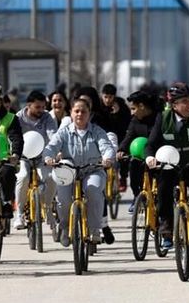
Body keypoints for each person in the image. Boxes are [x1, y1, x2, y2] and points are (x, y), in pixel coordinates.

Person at [145, 82, 189, 266]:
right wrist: (150, 157)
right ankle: (167, 224)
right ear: (173, 105)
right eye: (184, 101)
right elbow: (151, 143)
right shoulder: (163, 117)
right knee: (163, 189)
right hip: (172, 167)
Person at [44, 98, 115, 248]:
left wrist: (107, 159)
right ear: (71, 113)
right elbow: (51, 147)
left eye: (84, 111)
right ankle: (64, 226)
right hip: (68, 170)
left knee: (93, 190)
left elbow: (106, 147)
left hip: (93, 169)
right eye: (76, 111)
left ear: (89, 114)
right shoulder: (64, 132)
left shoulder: (97, 131)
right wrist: (49, 157)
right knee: (63, 198)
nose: (80, 114)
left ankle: (95, 229)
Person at [13, 89, 58, 233]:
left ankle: (48, 208)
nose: (41, 110)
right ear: (29, 105)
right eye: (37, 107)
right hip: (24, 156)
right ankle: (19, 214)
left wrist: (57, 151)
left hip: (42, 156)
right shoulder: (18, 117)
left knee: (51, 178)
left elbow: (53, 135)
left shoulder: (47, 117)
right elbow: (13, 137)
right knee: (23, 177)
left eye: (43, 107)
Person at [0, 84, 23, 228]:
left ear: (1, 102)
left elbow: (16, 138)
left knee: (7, 173)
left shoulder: (10, 118)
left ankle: (7, 202)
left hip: (3, 160)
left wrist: (15, 155)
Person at [117, 90, 162, 212]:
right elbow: (129, 136)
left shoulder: (160, 117)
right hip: (141, 156)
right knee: (134, 169)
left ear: (141, 106)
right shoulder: (135, 120)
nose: (132, 113)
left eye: (133, 109)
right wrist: (121, 149)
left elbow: (158, 137)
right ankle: (138, 197)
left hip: (159, 156)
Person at [101, 84, 132, 193]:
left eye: (110, 97)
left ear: (114, 96)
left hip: (120, 136)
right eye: (105, 97)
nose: (108, 100)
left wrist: (117, 114)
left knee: (123, 155)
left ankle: (123, 178)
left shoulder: (122, 106)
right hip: (104, 136)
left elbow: (127, 123)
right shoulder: (99, 107)